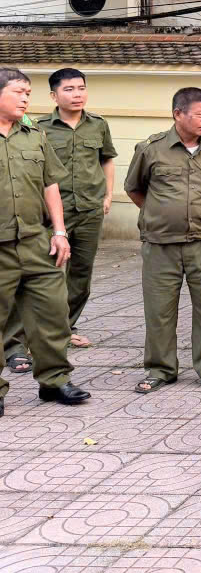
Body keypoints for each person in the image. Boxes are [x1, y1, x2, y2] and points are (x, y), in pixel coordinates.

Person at [4, 68, 116, 372]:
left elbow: (106, 159)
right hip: (47, 217)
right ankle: (18, 342)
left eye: (81, 88)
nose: (77, 94)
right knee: (33, 280)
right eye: (69, 89)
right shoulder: (37, 128)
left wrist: (107, 195)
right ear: (54, 96)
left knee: (81, 275)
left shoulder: (98, 125)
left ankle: (65, 329)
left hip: (89, 210)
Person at [125, 88, 201, 394]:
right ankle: (160, 369)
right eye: (200, 114)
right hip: (161, 245)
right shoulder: (151, 149)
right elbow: (135, 189)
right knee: (159, 310)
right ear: (178, 114)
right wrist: (160, 214)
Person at [0, 68, 90, 416]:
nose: (25, 98)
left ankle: (54, 382)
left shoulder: (34, 135)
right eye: (19, 91)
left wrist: (60, 231)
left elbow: (50, 184)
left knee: (52, 314)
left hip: (37, 241)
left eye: (28, 92)